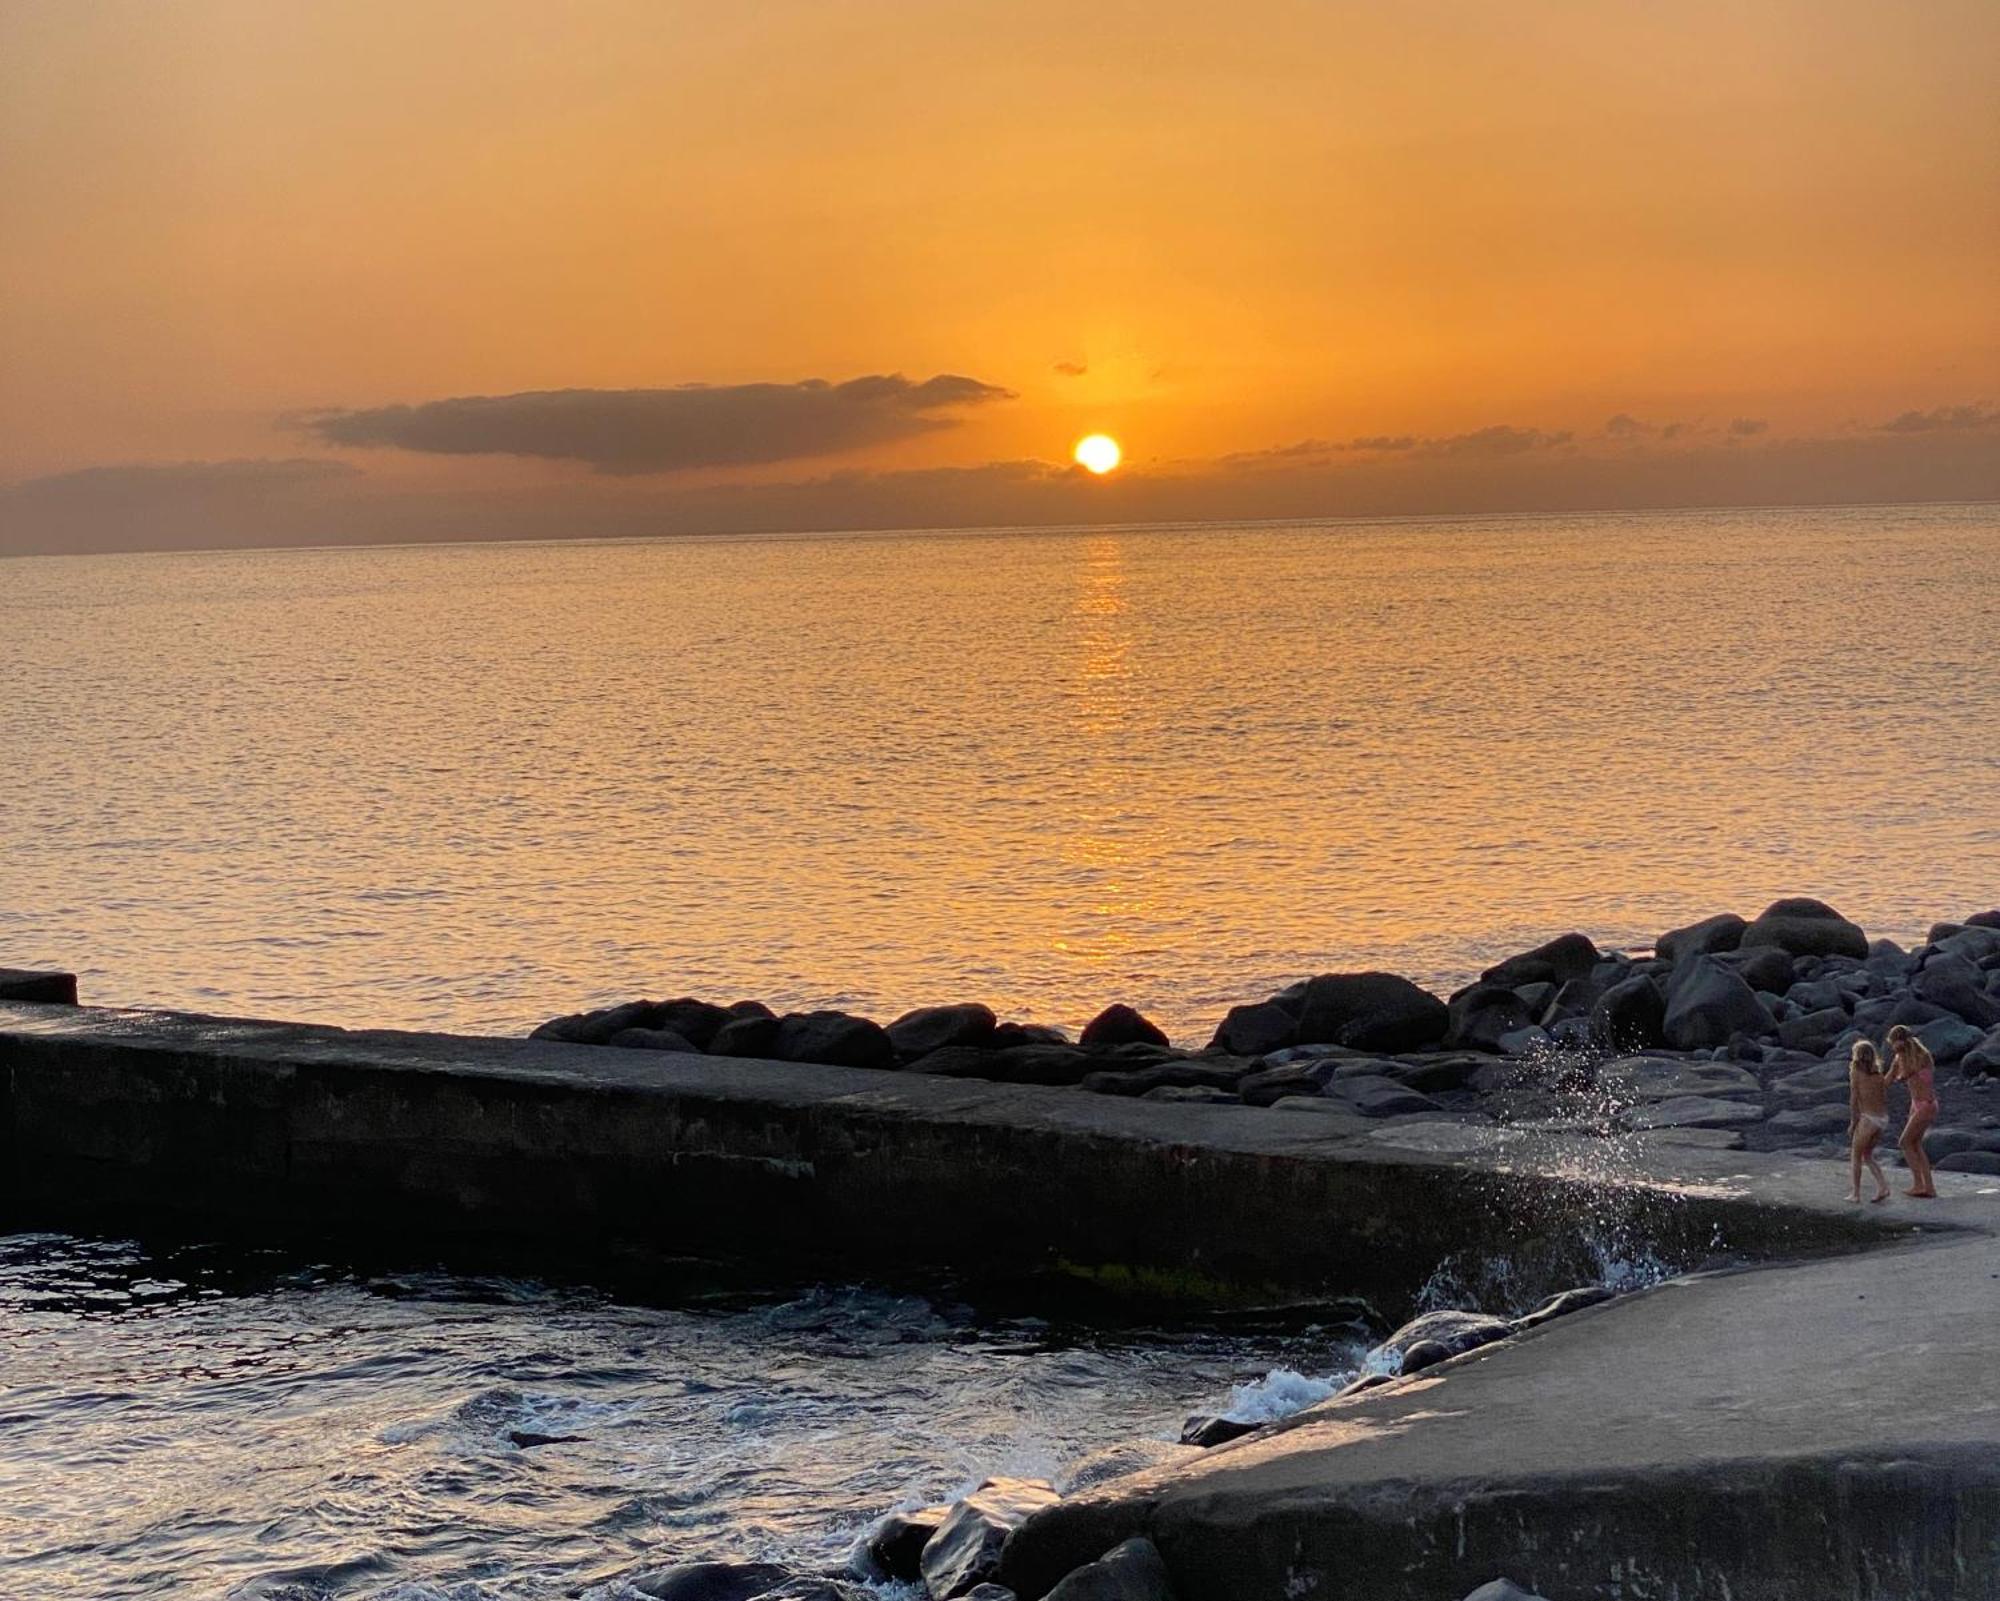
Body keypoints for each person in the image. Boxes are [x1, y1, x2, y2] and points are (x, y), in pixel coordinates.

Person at [1887, 1023, 1939, 1198]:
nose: (1893, 1047)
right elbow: (1888, 1080)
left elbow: (1909, 1073)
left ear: (1899, 1041)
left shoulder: (1921, 1055)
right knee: (1915, 1144)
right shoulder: (1898, 1058)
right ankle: (1929, 1188)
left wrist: (1901, 1062)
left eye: (1893, 1043)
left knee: (1904, 1142)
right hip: (1916, 1103)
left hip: (1927, 1104)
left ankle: (1919, 1184)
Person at [1846, 1039, 1891, 1203]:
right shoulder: (1878, 1074)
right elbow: (1883, 1097)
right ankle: (1883, 1187)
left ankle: (1856, 1194)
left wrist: (1853, 1122)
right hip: (1882, 1118)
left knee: (1856, 1156)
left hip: (1868, 1119)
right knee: (1868, 1155)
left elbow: (1853, 1099)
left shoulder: (1856, 1072)